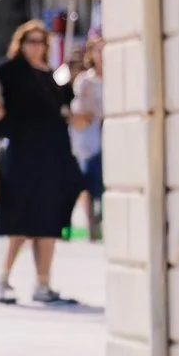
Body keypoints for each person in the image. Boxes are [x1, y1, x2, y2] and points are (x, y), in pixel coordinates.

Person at [0, 20, 79, 305]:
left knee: (48, 221)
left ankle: (43, 284)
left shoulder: (50, 74)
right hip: (22, 152)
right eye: (29, 41)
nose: (35, 46)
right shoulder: (13, 68)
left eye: (40, 41)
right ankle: (4, 279)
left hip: (53, 151)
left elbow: (63, 105)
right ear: (20, 43)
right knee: (20, 220)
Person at [69, 30, 104, 241]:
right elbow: (83, 113)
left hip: (108, 131)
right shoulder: (85, 81)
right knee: (91, 180)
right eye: (98, 50)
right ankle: (93, 226)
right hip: (91, 135)